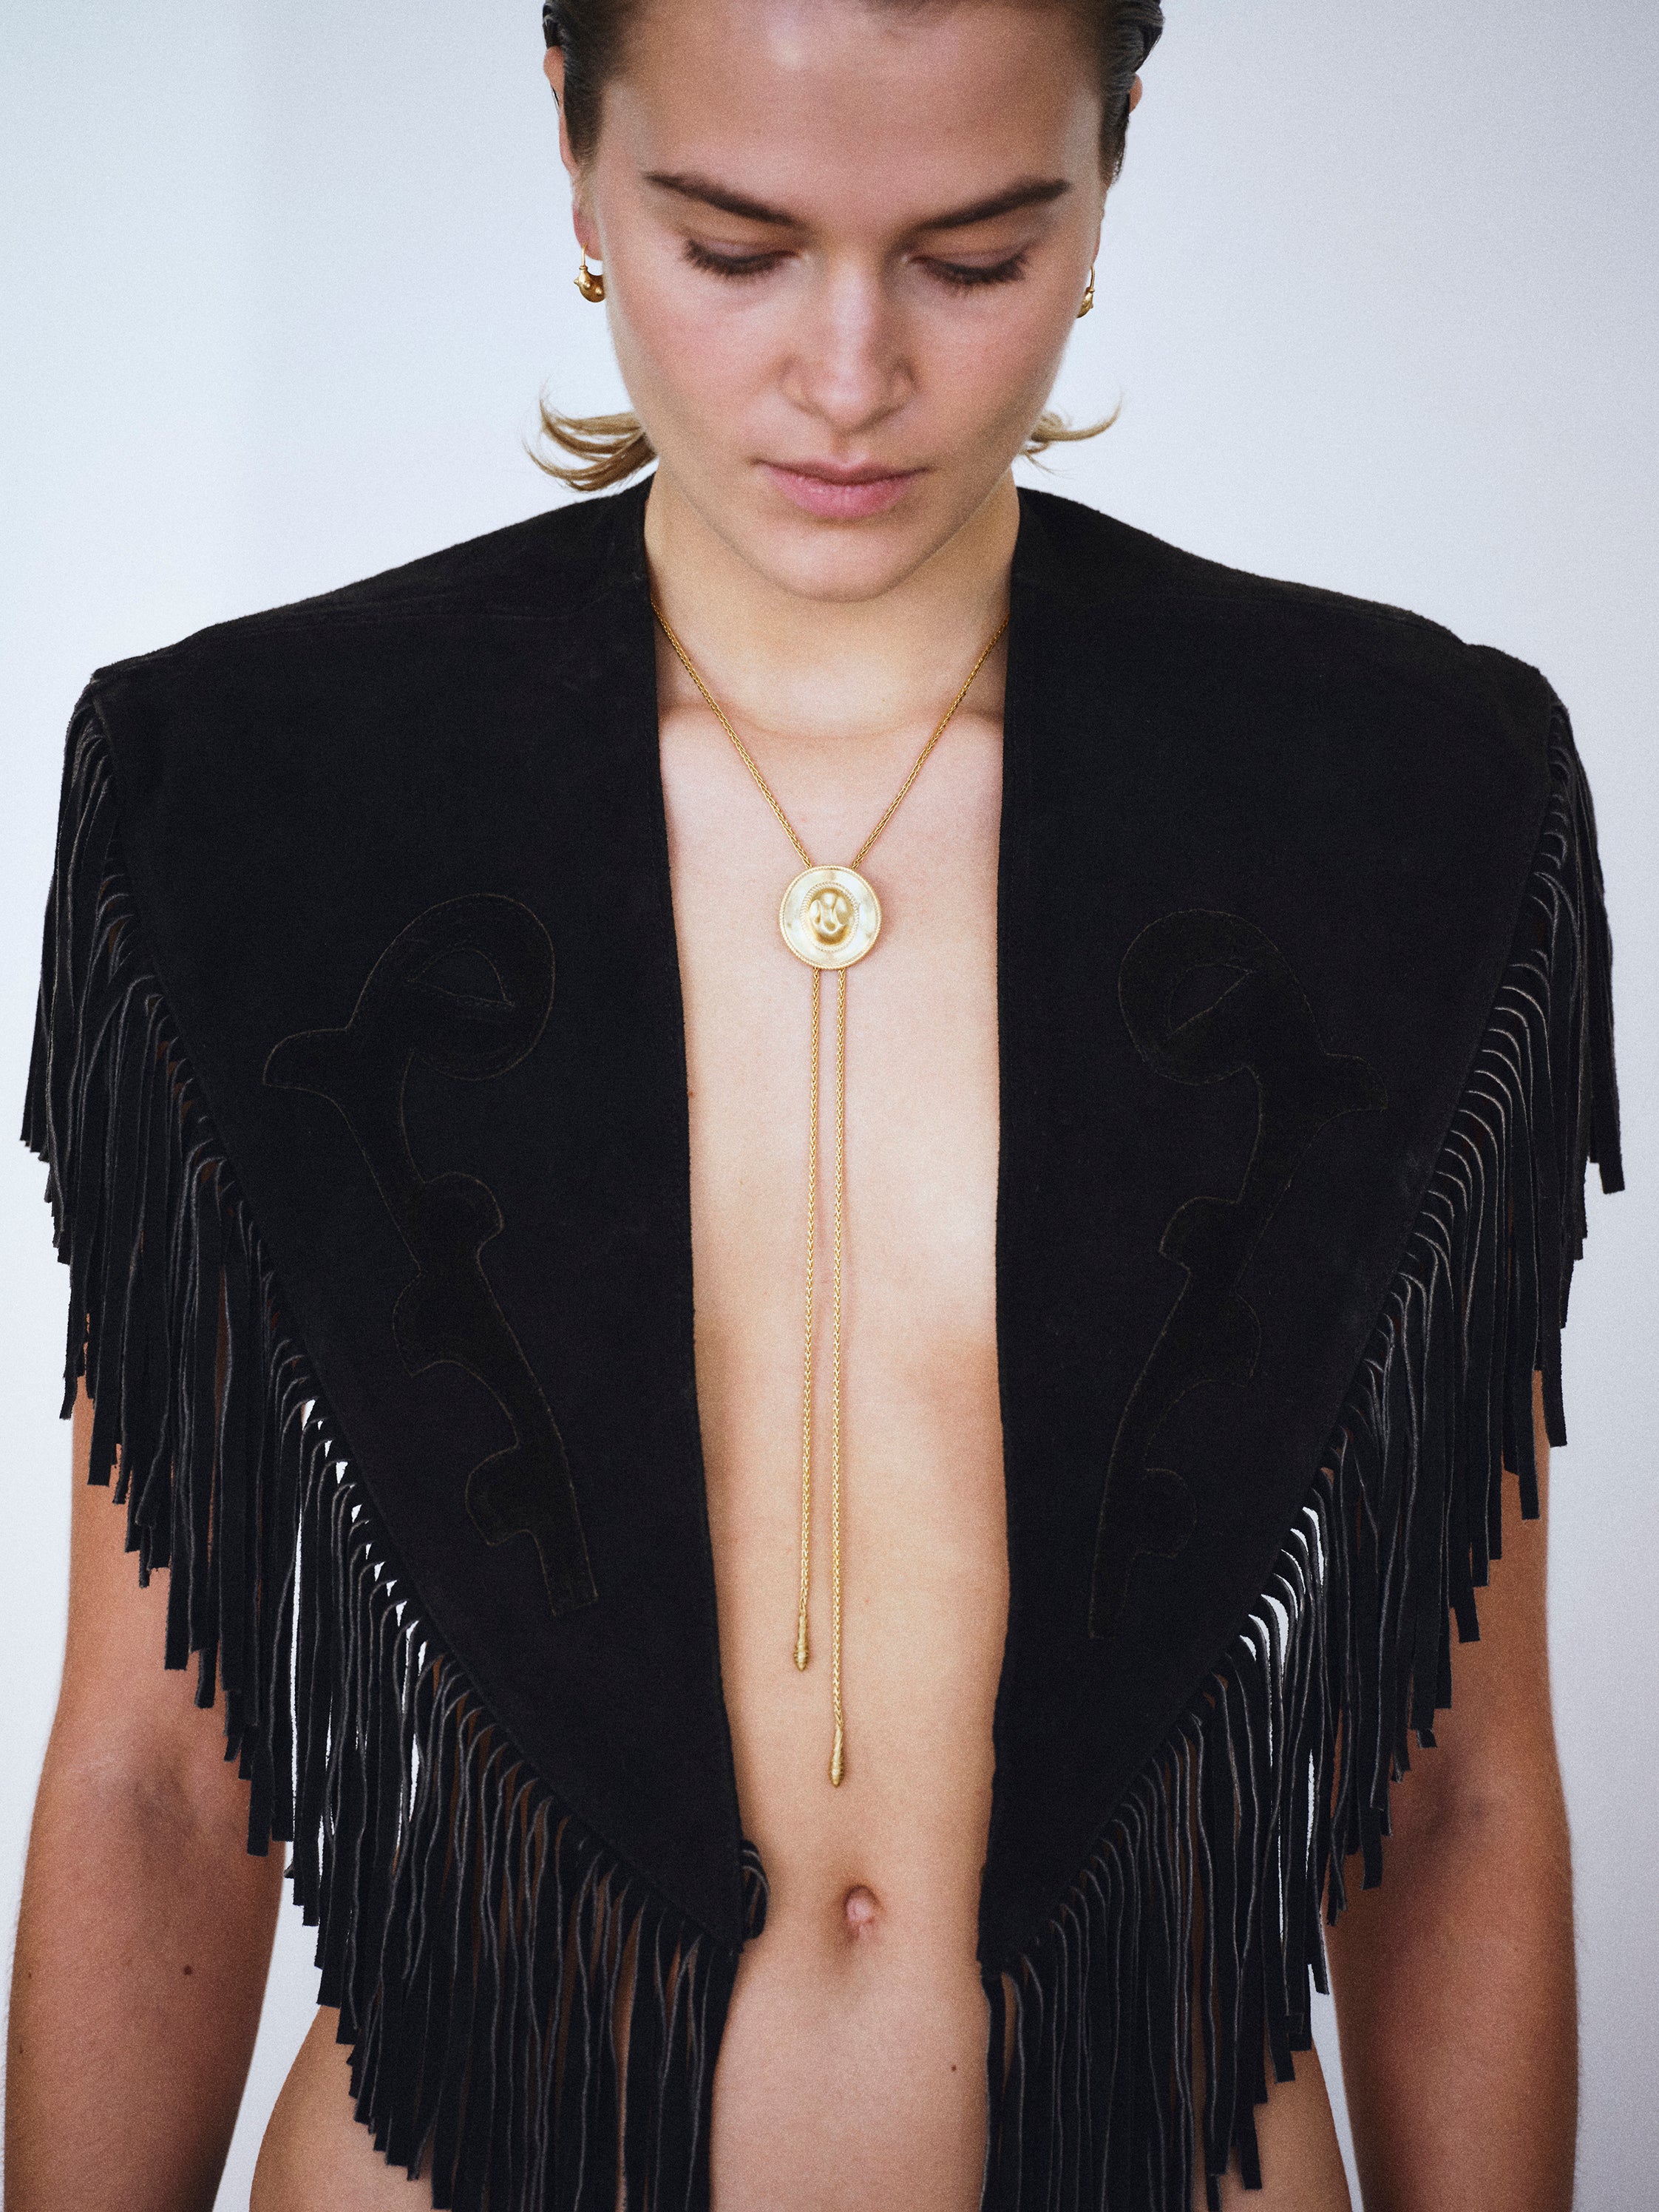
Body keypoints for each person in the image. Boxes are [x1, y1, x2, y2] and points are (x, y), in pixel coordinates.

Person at [5, 4, 1622, 2210]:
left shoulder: (1402, 798)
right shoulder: (258, 799)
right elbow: (157, 1780)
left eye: (973, 256)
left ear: (1109, 172)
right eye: (736, 248)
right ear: (577, 154)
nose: (850, 375)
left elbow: (1444, 1792)